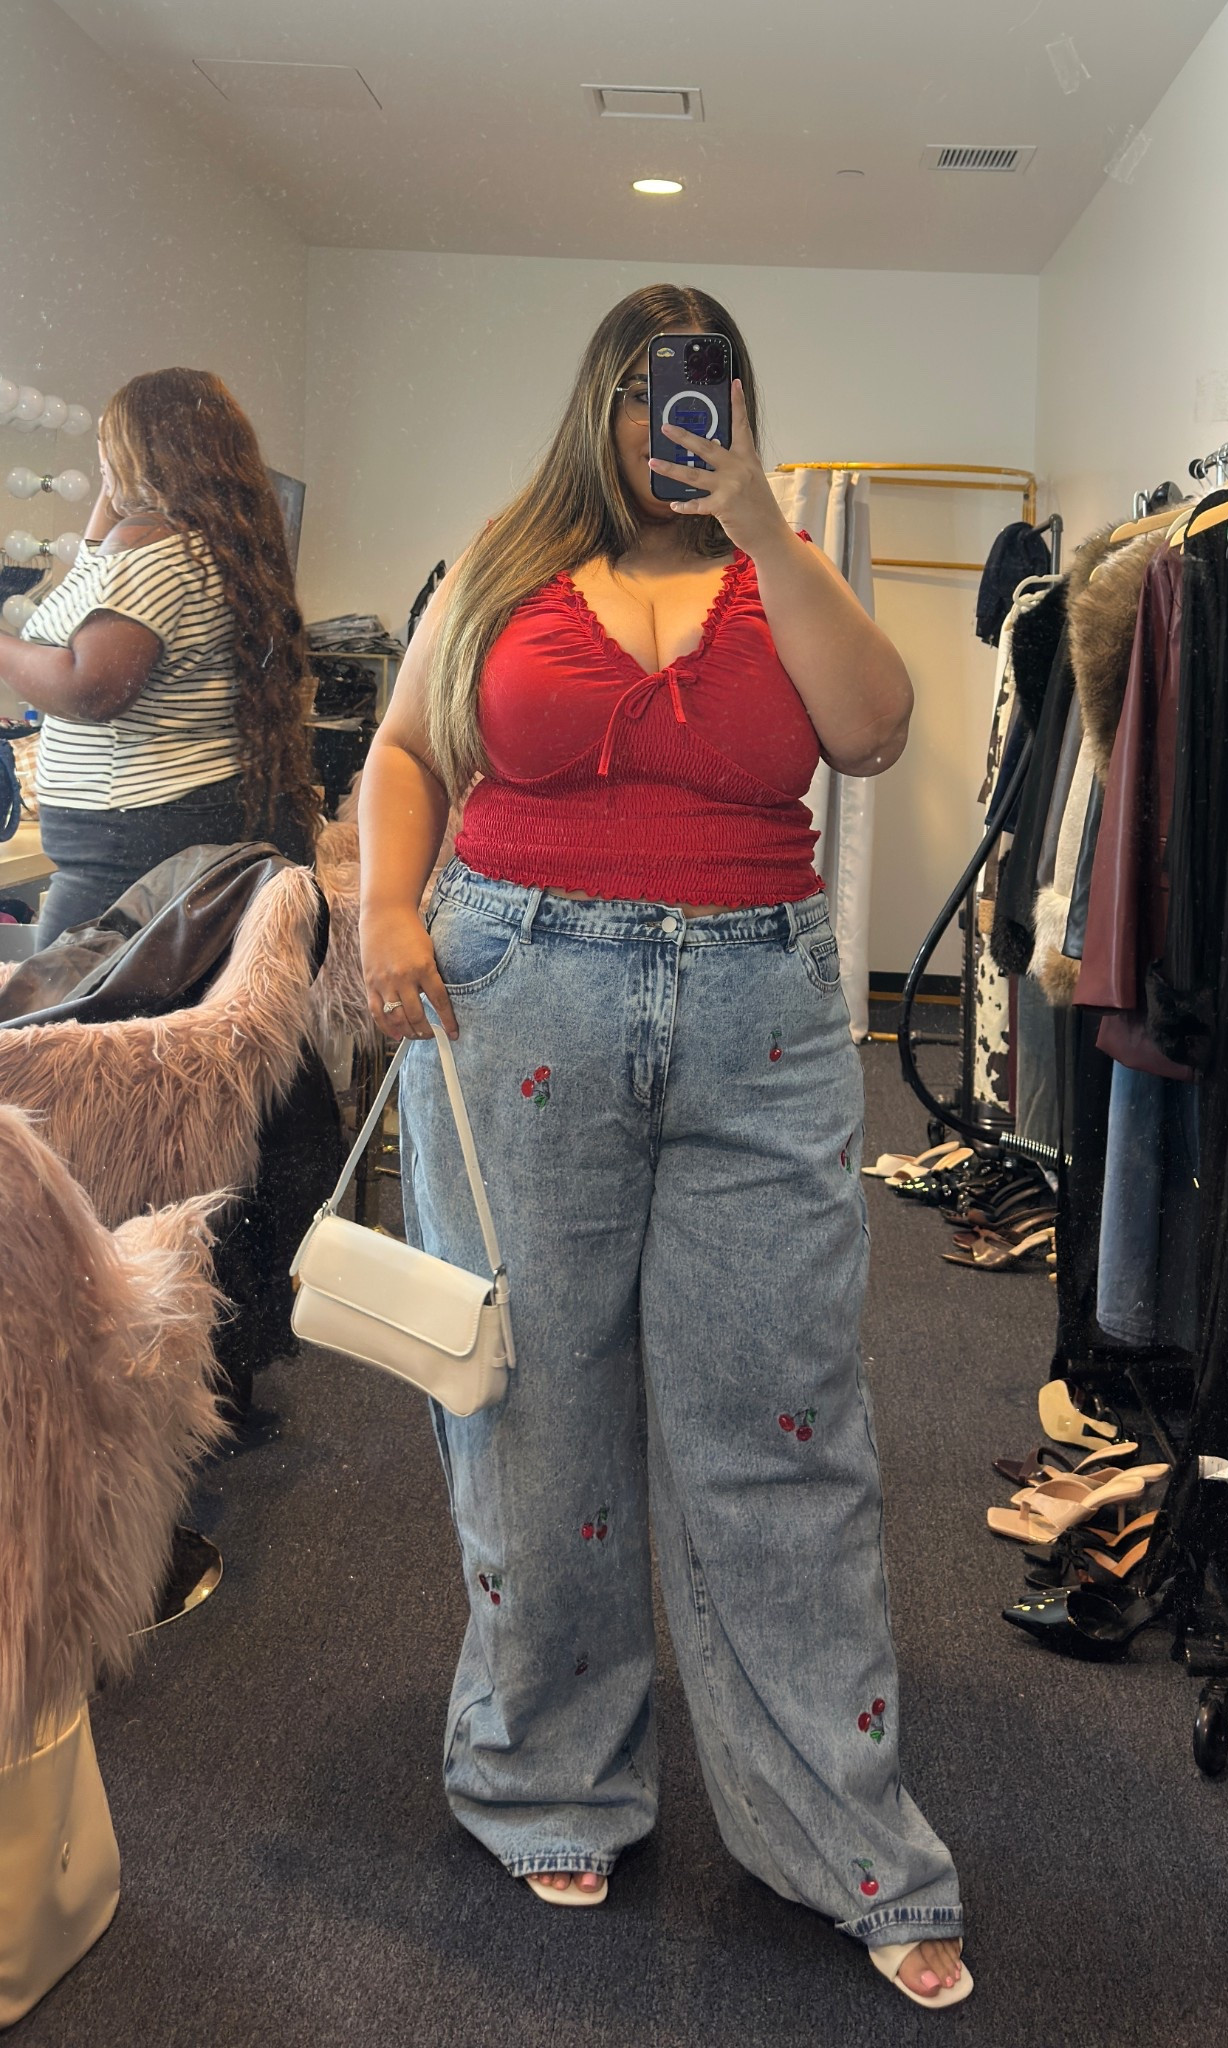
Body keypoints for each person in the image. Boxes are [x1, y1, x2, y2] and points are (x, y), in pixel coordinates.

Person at [356, 284, 970, 2008]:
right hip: (515, 993)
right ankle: (545, 1772)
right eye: (639, 392)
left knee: (784, 1419)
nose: (666, 421)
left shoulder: (784, 565)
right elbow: (405, 748)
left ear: (741, 407)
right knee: (534, 1406)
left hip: (758, 1015)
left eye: (699, 391)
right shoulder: (504, 559)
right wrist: (387, 905)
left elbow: (873, 729)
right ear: (595, 405)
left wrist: (762, 519)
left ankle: (845, 1833)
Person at [4, 368, 317, 944]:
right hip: (163, 826)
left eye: (110, 444)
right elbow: (95, 572)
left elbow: (89, 688)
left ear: (146, 452)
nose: (101, 459)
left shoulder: (153, 545)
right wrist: (119, 480)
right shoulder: (199, 544)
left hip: (130, 840)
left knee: (63, 1001)